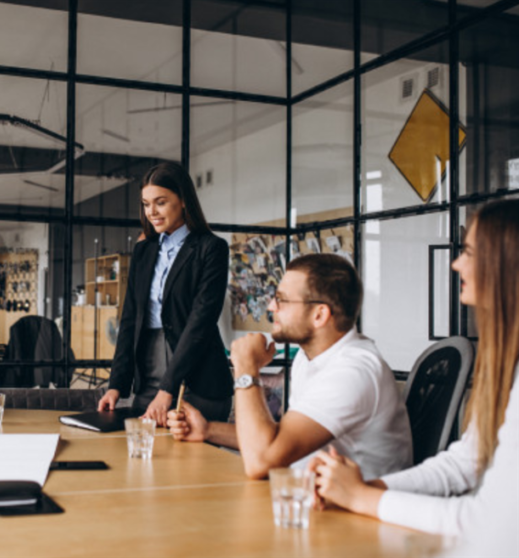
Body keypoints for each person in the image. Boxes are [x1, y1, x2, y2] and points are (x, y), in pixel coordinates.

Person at [309, 199, 519, 556]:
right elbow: (463, 464)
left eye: (469, 251)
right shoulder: (507, 365)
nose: (456, 263)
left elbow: (484, 526)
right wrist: (363, 489)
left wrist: (361, 496)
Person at [167, 253, 413, 480]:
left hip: (353, 518)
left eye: (282, 300)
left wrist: (246, 369)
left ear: (319, 315)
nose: (271, 308)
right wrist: (208, 430)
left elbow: (260, 462)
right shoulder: (308, 358)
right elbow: (279, 440)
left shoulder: (353, 372)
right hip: (311, 500)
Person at [98, 162, 233, 425]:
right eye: (146, 204)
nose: (152, 212)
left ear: (183, 200)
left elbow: (200, 323)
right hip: (149, 372)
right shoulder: (144, 250)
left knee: (187, 463)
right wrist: (116, 385)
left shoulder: (211, 248)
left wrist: (168, 389)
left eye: (160, 202)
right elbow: (129, 319)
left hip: (199, 378)